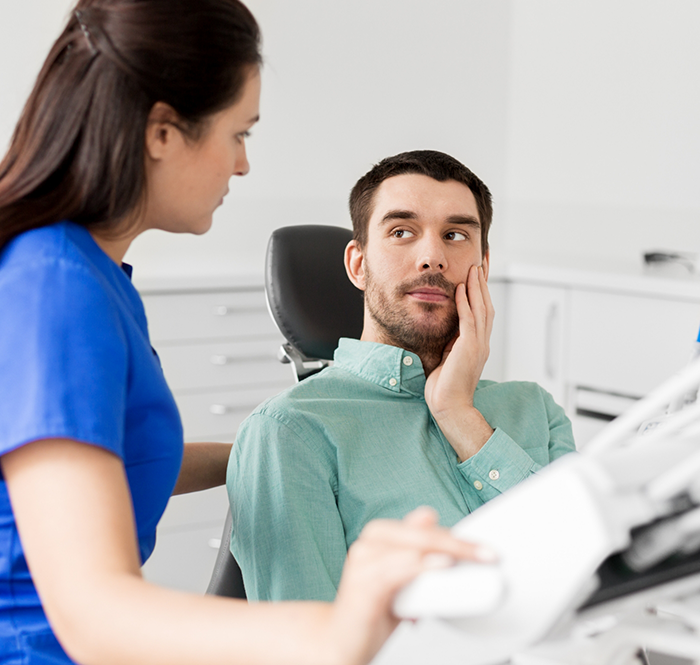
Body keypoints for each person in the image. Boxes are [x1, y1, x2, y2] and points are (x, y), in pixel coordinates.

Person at [0, 5, 488, 665]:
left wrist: (289, 444)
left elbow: (109, 465)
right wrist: (336, 628)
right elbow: (93, 614)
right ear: (162, 133)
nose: (243, 165)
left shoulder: (97, 276)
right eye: (239, 133)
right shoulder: (57, 287)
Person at [227, 150, 577, 602]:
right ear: (358, 264)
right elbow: (307, 643)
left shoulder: (535, 409)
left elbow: (588, 571)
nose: (432, 257)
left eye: (455, 235)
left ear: (483, 268)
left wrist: (458, 414)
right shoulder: (290, 432)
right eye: (401, 232)